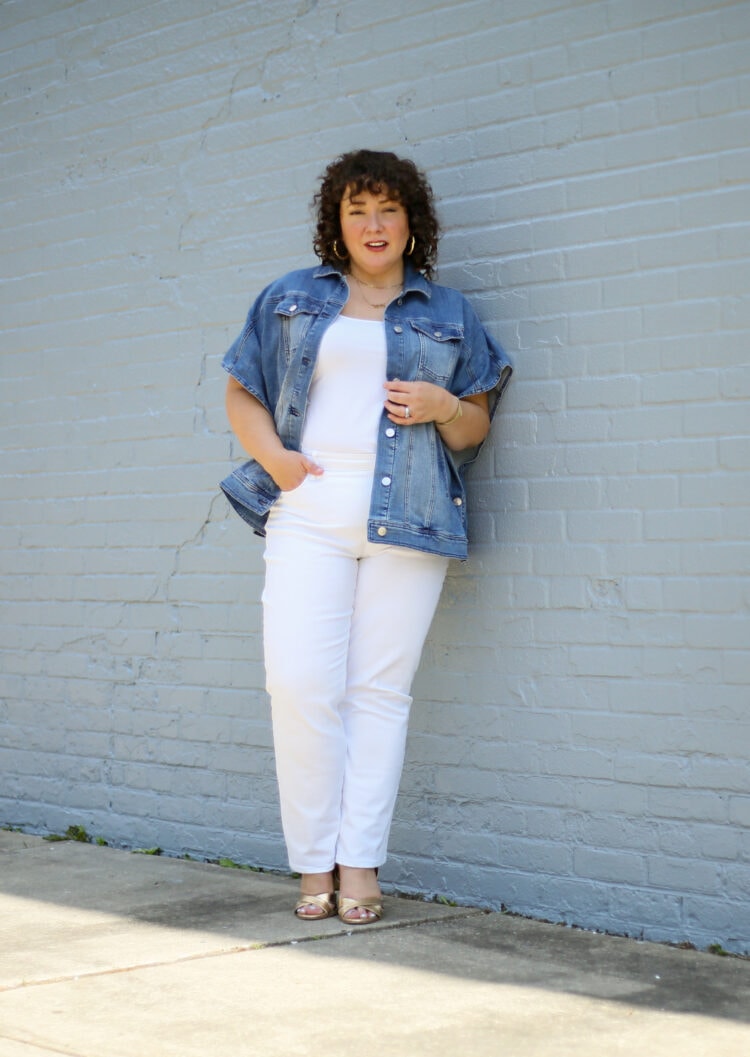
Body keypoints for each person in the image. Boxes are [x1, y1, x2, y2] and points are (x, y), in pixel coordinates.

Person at [221, 149, 511, 925]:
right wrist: (278, 462)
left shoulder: (449, 313)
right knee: (300, 683)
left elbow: (476, 422)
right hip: (309, 512)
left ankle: (359, 864)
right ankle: (312, 858)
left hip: (411, 514)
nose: (373, 225)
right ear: (336, 223)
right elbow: (240, 390)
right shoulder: (291, 297)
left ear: (412, 221)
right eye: (357, 211)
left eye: (387, 209)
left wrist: (444, 406)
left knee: (379, 694)